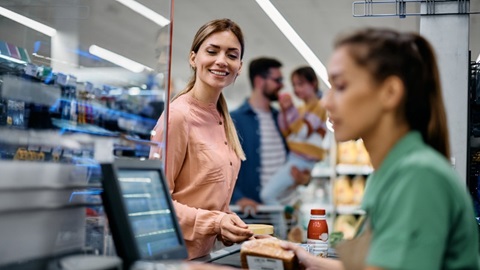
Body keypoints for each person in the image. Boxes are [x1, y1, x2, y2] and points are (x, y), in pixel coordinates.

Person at [282, 28, 480, 269]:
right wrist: (310, 261)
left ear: (390, 93)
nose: (326, 101)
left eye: (341, 86)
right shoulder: (393, 170)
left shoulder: (417, 177)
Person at [149, 18, 253, 260]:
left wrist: (232, 227)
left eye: (231, 55)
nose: (221, 61)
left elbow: (206, 198)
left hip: (203, 258)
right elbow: (155, 204)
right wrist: (216, 222)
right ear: (193, 58)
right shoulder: (177, 116)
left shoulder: (221, 118)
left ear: (239, 66)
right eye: (212, 51)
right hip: (172, 259)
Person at [230, 57, 310, 211]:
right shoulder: (234, 120)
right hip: (254, 216)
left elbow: (298, 156)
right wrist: (238, 198)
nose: (281, 85)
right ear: (260, 81)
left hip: (286, 210)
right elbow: (221, 169)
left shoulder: (281, 117)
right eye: (277, 80)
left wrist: (304, 178)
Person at [260, 66, 328, 205]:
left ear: (313, 83)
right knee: (277, 197)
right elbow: (287, 132)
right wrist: (285, 112)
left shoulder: (319, 107)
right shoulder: (301, 109)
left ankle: (280, 225)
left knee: (267, 195)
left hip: (301, 160)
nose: (296, 89)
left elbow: (302, 132)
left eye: (301, 84)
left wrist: (290, 110)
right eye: (294, 85)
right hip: (295, 159)